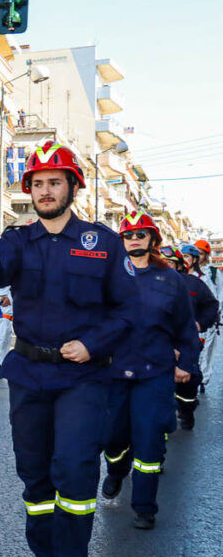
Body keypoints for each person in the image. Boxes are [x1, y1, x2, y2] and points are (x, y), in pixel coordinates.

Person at [0, 141, 137, 557]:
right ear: (31, 191)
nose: (46, 191)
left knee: (73, 474)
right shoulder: (18, 239)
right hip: (29, 372)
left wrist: (92, 343)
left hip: (83, 376)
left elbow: (128, 309)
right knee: (36, 481)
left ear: (72, 187)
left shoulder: (102, 242)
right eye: (38, 184)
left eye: (55, 182)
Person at [99, 213, 200, 530]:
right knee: (113, 438)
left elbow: (186, 327)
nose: (134, 238)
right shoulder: (108, 277)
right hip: (115, 371)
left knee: (150, 440)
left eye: (141, 233)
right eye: (128, 234)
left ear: (153, 239)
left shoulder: (170, 279)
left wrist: (186, 363)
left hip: (154, 373)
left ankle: (145, 507)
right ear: (122, 240)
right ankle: (116, 471)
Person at [174, 244, 219, 429]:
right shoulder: (149, 281)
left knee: (190, 377)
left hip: (190, 338)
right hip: (159, 342)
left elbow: (213, 303)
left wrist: (201, 323)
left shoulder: (198, 281)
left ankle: (187, 408)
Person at [191, 239, 220, 389]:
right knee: (195, 348)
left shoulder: (213, 273)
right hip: (193, 317)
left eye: (202, 253)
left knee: (208, 349)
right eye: (197, 253)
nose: (199, 256)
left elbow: (219, 295)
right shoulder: (189, 273)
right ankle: (195, 374)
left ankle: (204, 378)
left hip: (209, 318)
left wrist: (217, 314)